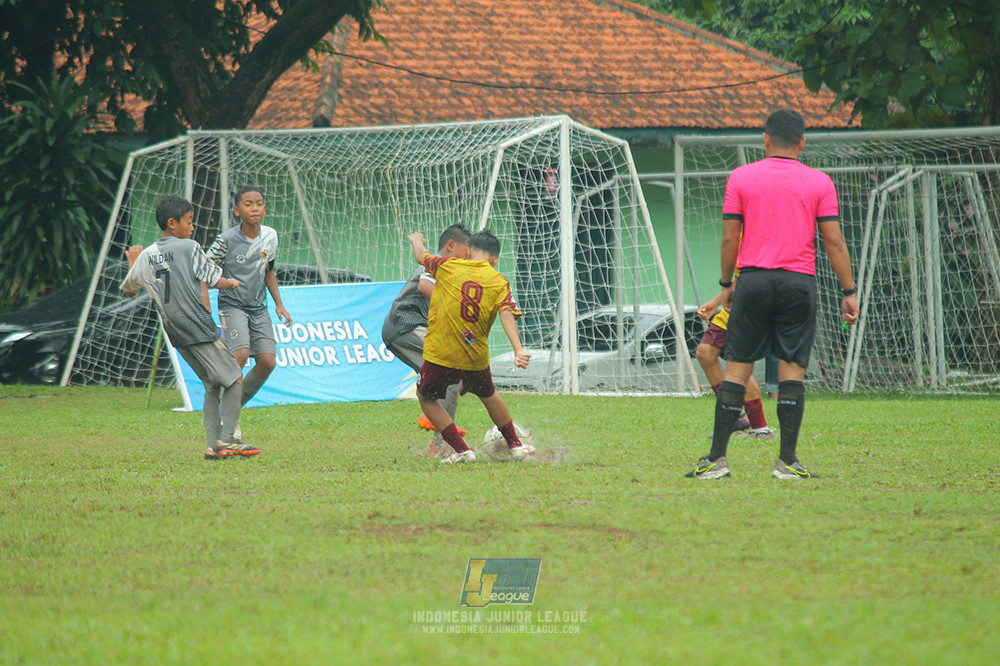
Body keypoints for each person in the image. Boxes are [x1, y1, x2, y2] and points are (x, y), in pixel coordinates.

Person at [685, 109, 859, 480]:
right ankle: (788, 463)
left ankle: (716, 461)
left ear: (764, 140)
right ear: (802, 143)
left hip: (754, 282)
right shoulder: (820, 181)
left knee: (736, 369)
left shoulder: (742, 177)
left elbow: (731, 237)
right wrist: (849, 291)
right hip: (799, 283)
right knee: (792, 371)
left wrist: (725, 285)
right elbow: (834, 240)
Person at [121, 195, 260, 460]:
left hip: (175, 331)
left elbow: (129, 290)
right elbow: (214, 278)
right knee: (234, 377)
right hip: (197, 323)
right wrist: (230, 283)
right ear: (172, 224)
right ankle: (228, 438)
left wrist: (133, 262)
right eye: (189, 221)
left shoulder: (148, 255)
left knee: (212, 385)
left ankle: (212, 445)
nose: (192, 227)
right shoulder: (189, 247)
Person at [406, 229, 534, 464]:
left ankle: (461, 449)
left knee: (425, 396)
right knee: (489, 394)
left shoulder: (448, 265)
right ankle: (515, 444)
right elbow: (507, 315)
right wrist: (518, 349)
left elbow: (421, 256)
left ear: (468, 251)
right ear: (495, 260)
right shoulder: (499, 281)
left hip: (442, 353)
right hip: (474, 355)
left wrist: (416, 241)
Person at [382, 224, 472, 457]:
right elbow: (424, 285)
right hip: (405, 324)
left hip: (409, 327)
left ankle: (439, 446)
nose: (469, 256)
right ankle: (438, 428)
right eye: (467, 249)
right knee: (450, 374)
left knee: (452, 378)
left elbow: (421, 252)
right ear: (451, 247)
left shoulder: (437, 261)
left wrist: (415, 240)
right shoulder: (444, 264)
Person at [207, 186, 292, 425]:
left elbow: (269, 270)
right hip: (232, 305)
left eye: (259, 203)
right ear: (236, 210)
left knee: (267, 362)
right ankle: (225, 415)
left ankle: (229, 408)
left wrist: (279, 304)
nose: (254, 208)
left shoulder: (271, 236)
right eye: (248, 204)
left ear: (264, 209)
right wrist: (220, 285)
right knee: (240, 354)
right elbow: (204, 271)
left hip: (259, 307)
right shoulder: (226, 240)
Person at [696, 281, 774, 439]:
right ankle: (734, 416)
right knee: (706, 353)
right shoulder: (741, 258)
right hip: (729, 313)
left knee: (739, 365)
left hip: (747, 311)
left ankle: (760, 428)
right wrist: (715, 302)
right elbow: (739, 278)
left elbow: (750, 277)